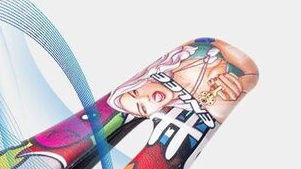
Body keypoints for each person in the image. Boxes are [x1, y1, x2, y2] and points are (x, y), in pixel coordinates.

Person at [108, 38, 259, 124]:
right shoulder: (210, 108)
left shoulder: (180, 58)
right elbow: (249, 74)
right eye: (143, 108)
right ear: (150, 115)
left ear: (142, 81)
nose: (145, 99)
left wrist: (244, 82)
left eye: (136, 92)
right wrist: (240, 86)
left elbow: (250, 70)